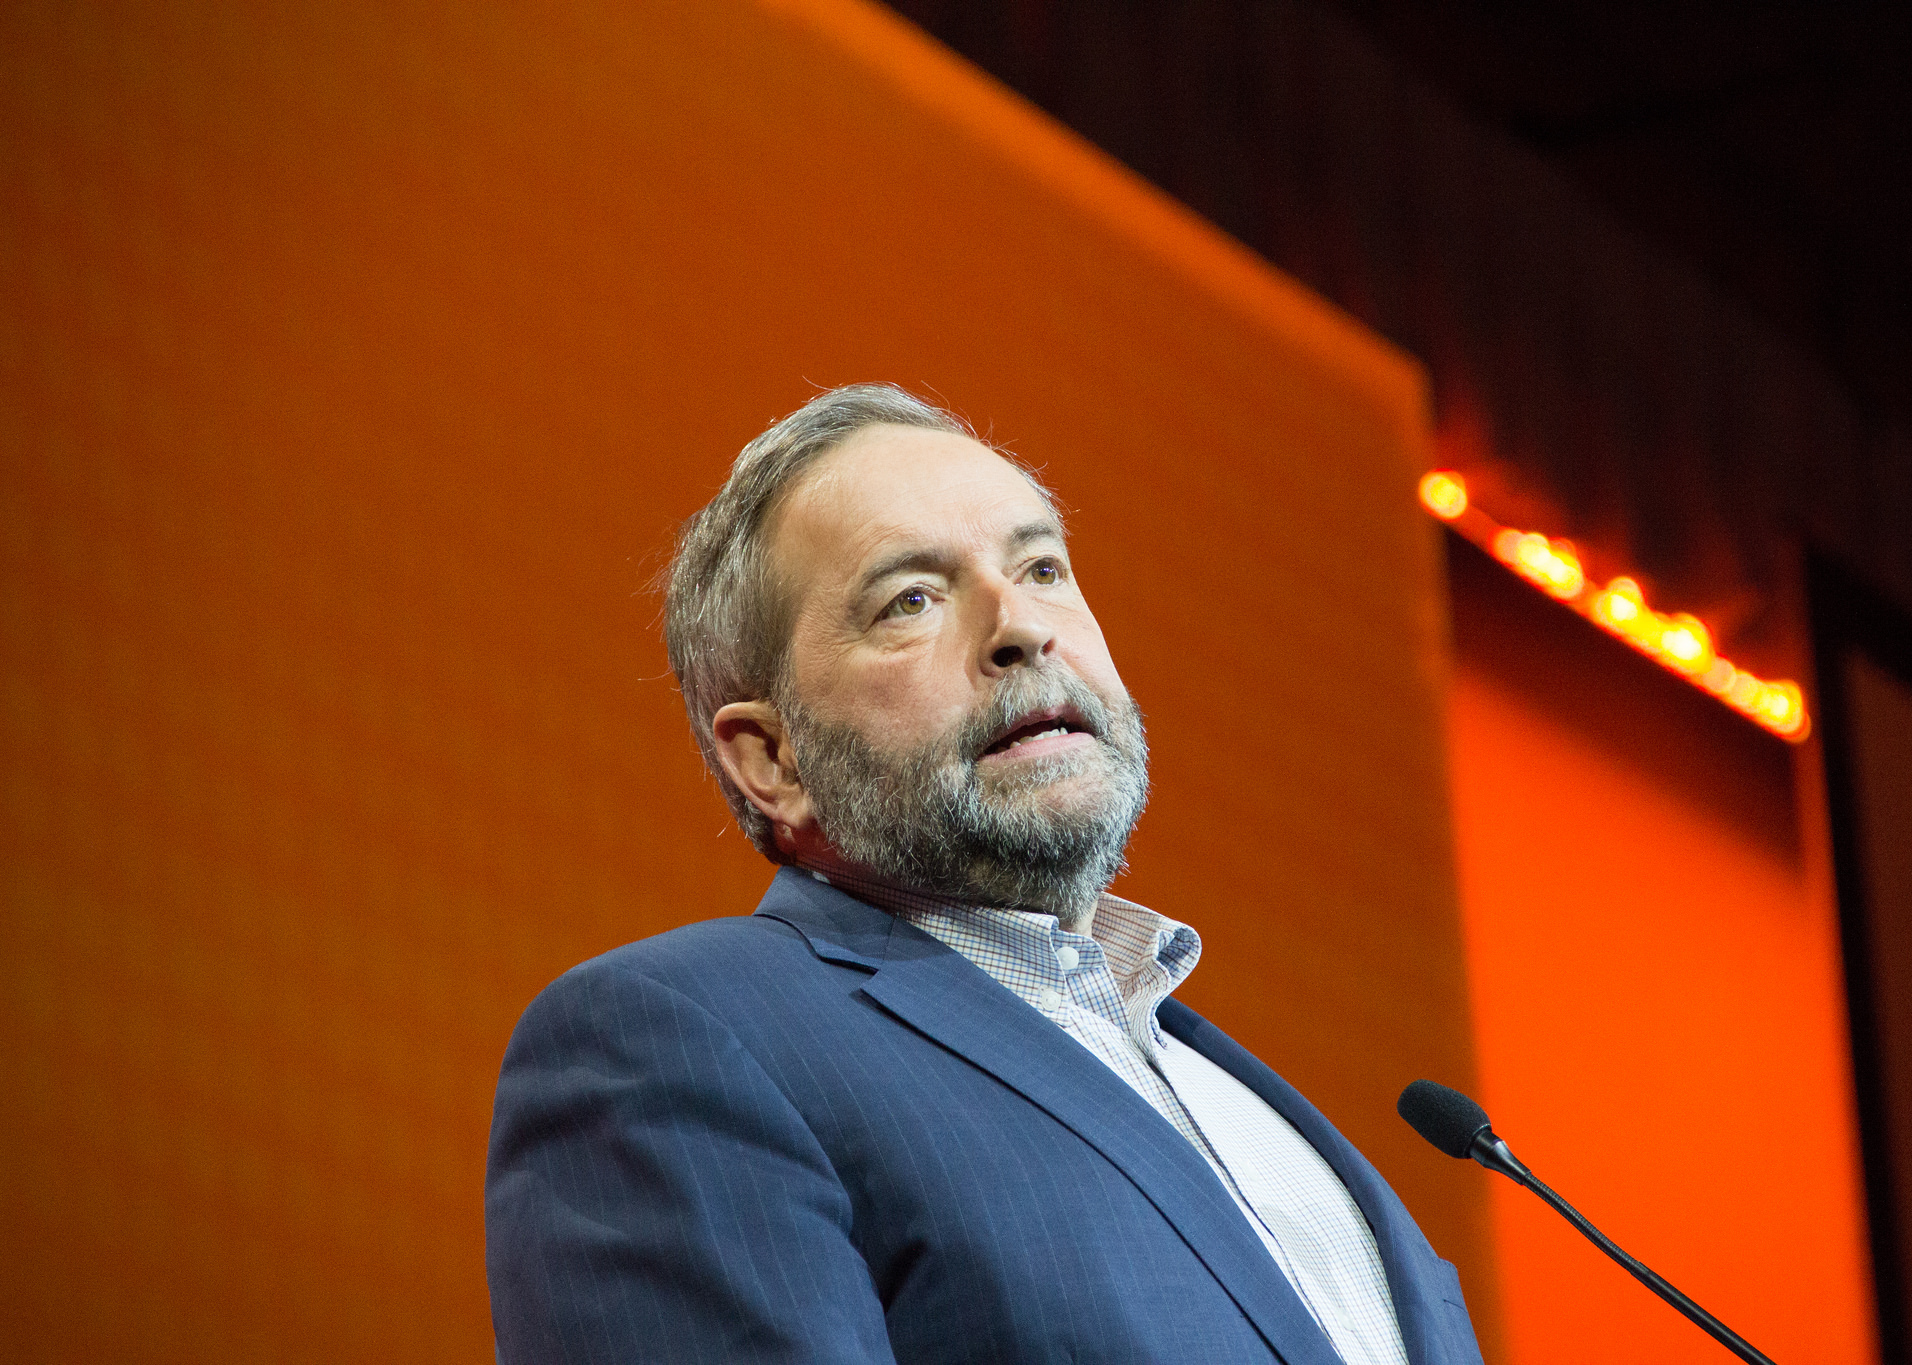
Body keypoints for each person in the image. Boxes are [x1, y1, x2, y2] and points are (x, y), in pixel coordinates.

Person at [485, 384, 1486, 1365]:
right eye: (909, 599)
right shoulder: (670, 1041)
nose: (1021, 627)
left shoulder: (1246, 1101)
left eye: (1042, 567)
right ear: (771, 759)